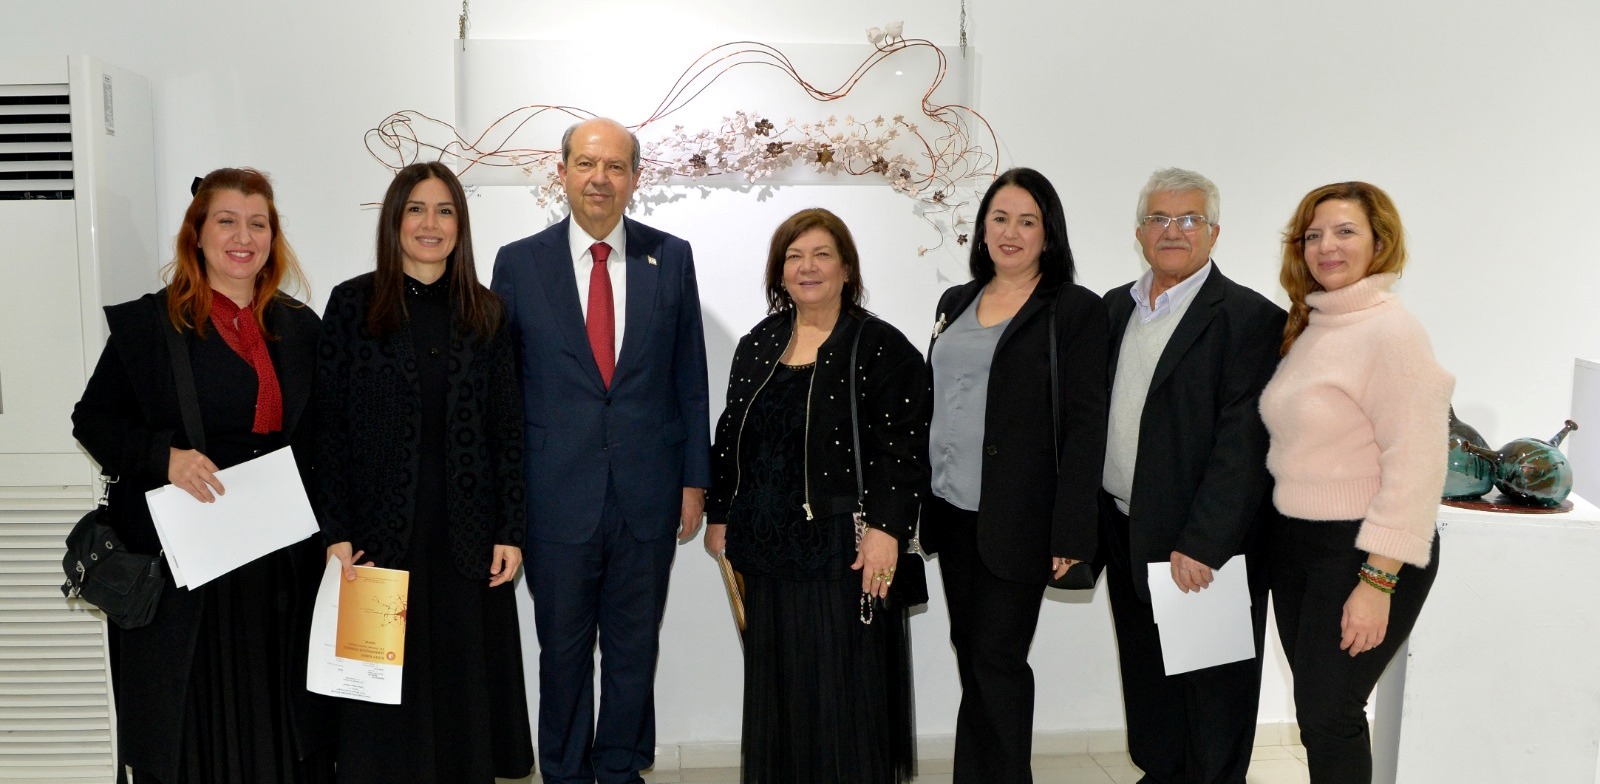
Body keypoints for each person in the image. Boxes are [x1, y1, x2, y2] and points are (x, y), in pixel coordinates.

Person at [71, 167, 333, 784]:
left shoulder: (300, 328)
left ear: (273, 237)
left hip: (277, 571)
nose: (244, 237)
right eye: (227, 221)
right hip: (185, 575)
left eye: (258, 224)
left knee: (280, 722)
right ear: (197, 234)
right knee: (190, 727)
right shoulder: (150, 326)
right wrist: (165, 456)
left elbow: (324, 438)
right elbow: (93, 420)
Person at [490, 117, 712, 784]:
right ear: (561, 173)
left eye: (616, 166)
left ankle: (619, 769)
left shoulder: (671, 257)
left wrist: (694, 481)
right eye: (586, 164)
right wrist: (506, 499)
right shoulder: (518, 263)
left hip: (648, 492)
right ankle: (564, 772)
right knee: (560, 651)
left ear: (636, 178)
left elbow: (690, 376)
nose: (600, 178)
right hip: (554, 494)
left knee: (632, 650)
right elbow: (502, 390)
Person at [312, 162, 535, 783]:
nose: (429, 223)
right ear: (395, 221)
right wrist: (335, 531)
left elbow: (507, 431)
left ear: (460, 225)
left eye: (444, 210)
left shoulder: (486, 312)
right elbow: (326, 429)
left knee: (462, 697)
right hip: (377, 542)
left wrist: (511, 530)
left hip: (467, 540)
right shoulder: (352, 305)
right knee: (379, 703)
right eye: (415, 209)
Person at [703, 208, 929, 783]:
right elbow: (732, 435)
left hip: (843, 554)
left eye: (822, 255)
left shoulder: (880, 347)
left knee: (842, 697)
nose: (808, 267)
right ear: (779, 273)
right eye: (794, 257)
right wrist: (721, 514)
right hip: (767, 553)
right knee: (782, 697)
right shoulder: (758, 343)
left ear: (847, 269)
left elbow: (904, 449)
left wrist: (886, 532)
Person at [919, 167, 1109, 783]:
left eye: (1028, 221)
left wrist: (1073, 530)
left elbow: (1086, 427)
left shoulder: (1073, 310)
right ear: (982, 229)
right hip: (953, 511)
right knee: (972, 654)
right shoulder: (956, 301)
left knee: (997, 659)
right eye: (999, 218)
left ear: (1048, 235)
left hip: (1022, 518)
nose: (1011, 232)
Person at [1260, 182, 1452, 782]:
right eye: (1314, 235)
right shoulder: (1314, 326)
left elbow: (1418, 464)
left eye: (1345, 232)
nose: (1327, 246)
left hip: (1363, 549)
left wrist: (1377, 579)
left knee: (1330, 714)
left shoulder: (1392, 332)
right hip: (1298, 543)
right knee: (1319, 713)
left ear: (1379, 242)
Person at [1099, 168, 1286, 783]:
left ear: (1214, 233)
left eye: (1189, 219)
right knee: (1150, 687)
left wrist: (1204, 542)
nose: (1172, 231)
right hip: (1126, 531)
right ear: (1139, 232)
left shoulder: (1250, 319)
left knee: (1212, 699)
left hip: (1201, 547)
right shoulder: (1114, 309)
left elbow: (1244, 445)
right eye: (1158, 218)